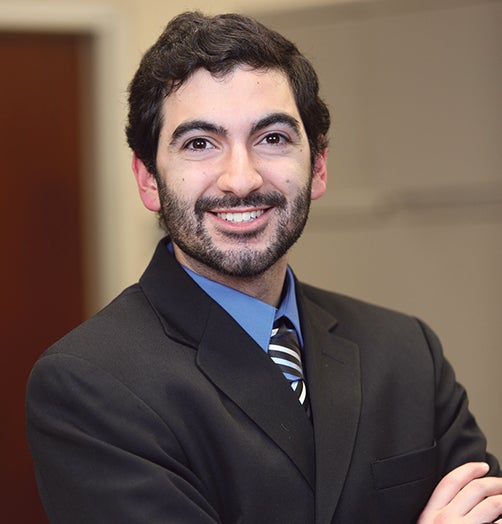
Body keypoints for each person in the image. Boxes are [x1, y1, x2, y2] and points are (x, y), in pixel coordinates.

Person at [26, 11, 501, 524]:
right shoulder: (91, 384)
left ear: (317, 165)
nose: (240, 179)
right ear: (148, 179)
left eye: (271, 138)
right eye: (199, 144)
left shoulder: (407, 352)